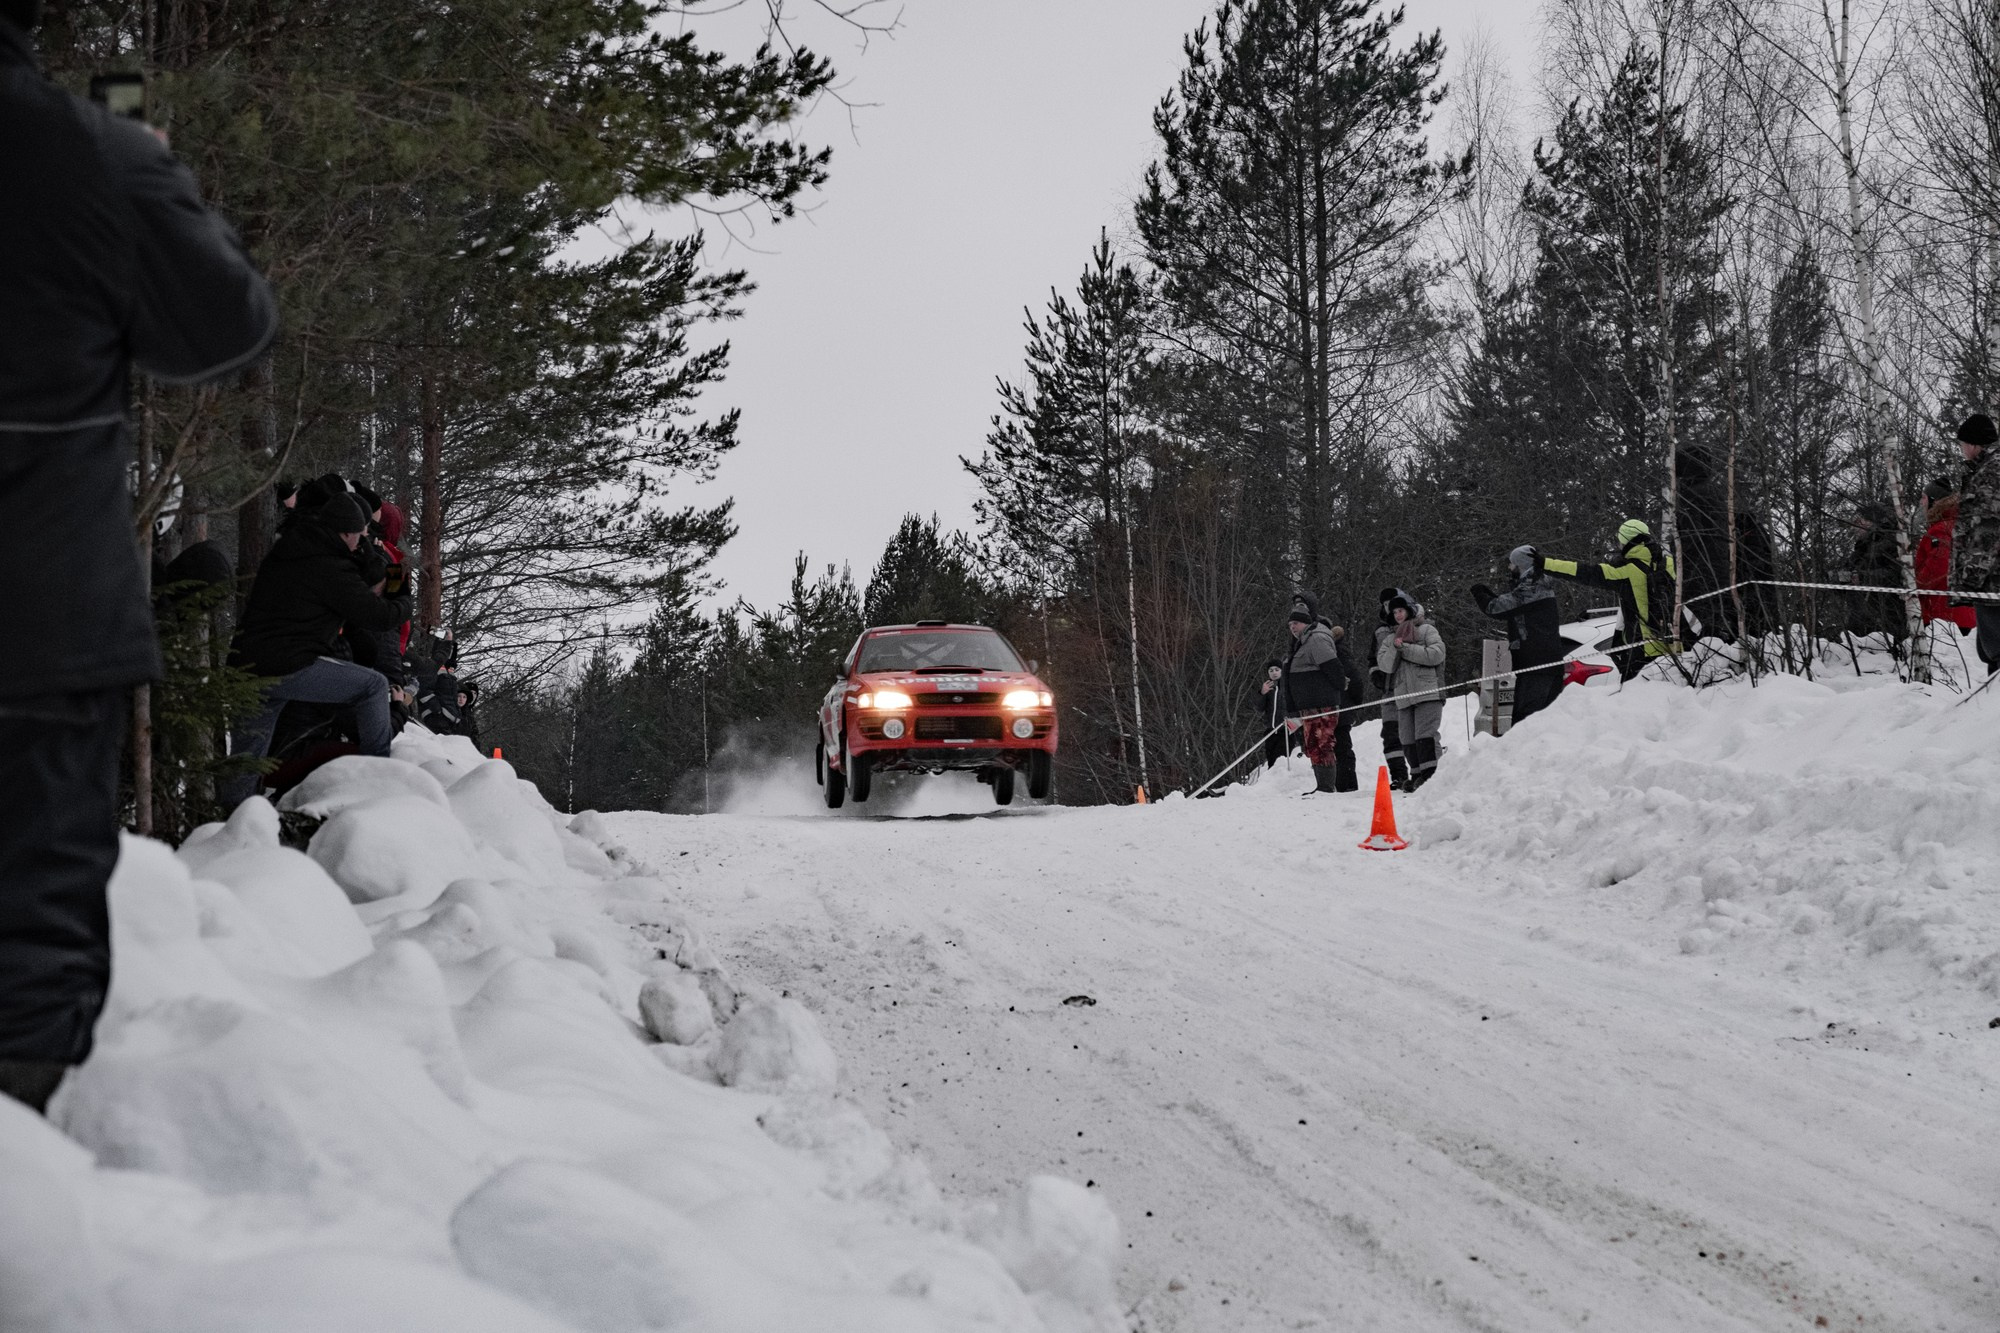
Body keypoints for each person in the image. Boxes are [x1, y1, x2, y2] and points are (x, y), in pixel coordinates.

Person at [0, 0, 277, 1112]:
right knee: (29, 943)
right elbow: (224, 326)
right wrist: (158, 179)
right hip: (41, 621)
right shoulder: (89, 153)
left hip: (49, 621)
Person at [221, 494, 412, 807]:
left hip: (247, 665)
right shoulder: (331, 569)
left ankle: (231, 822)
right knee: (373, 686)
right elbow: (380, 617)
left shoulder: (295, 546)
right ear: (347, 533)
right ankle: (380, 780)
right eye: (360, 535)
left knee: (246, 764)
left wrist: (368, 555)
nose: (362, 541)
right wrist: (402, 595)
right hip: (288, 665)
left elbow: (360, 575)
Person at [1542, 520, 1681, 680]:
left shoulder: (1626, 570)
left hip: (1642, 652)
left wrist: (1544, 564)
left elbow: (1582, 572)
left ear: (1626, 542)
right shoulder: (1672, 563)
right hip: (1676, 648)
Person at [1471, 545, 1566, 727]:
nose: (1509, 567)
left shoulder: (1532, 588)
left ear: (1521, 565)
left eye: (1512, 564)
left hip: (1536, 665)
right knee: (1542, 722)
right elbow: (1511, 606)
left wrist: (1479, 591)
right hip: (1545, 664)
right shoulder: (1538, 585)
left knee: (1525, 722)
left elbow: (1495, 608)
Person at [1374, 590, 1446, 791]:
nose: (1398, 615)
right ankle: (1416, 774)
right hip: (1403, 695)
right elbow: (1385, 666)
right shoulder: (1389, 639)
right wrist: (1396, 648)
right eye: (1394, 612)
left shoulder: (1427, 630)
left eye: (1401, 610)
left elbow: (1436, 655)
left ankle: (1431, 775)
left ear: (1409, 610)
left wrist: (1406, 649)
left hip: (1427, 692)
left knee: (1425, 735)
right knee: (1407, 738)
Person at [1281, 600, 1352, 794]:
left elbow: (1333, 667)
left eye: (1296, 623)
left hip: (1321, 703)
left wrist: (1339, 687)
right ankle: (1322, 786)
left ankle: (1326, 787)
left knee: (1322, 744)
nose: (1292, 627)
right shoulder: (1301, 642)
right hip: (1309, 704)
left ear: (1306, 622)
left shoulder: (1316, 639)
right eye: (1290, 624)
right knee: (1313, 744)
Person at [1951, 412, 2000, 673]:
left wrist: (1970, 577)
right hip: (1990, 579)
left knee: (1995, 652)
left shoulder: (1990, 473)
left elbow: (1988, 529)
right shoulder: (1987, 469)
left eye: (1962, 444)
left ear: (1973, 444)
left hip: (1992, 581)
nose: (1961, 450)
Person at [1916, 478, 1976, 634]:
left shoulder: (1941, 530)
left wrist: (1914, 585)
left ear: (1934, 501)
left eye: (1924, 498)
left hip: (1945, 616)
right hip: (1961, 612)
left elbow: (1938, 568)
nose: (1921, 502)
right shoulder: (1957, 524)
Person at [1844, 501, 1907, 641]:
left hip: (1885, 618)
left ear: (1872, 522)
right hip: (1860, 618)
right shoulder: (1861, 548)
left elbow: (1896, 575)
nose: (1855, 526)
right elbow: (1849, 575)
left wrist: (1862, 578)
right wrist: (1839, 579)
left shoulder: (1892, 542)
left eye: (1859, 521)